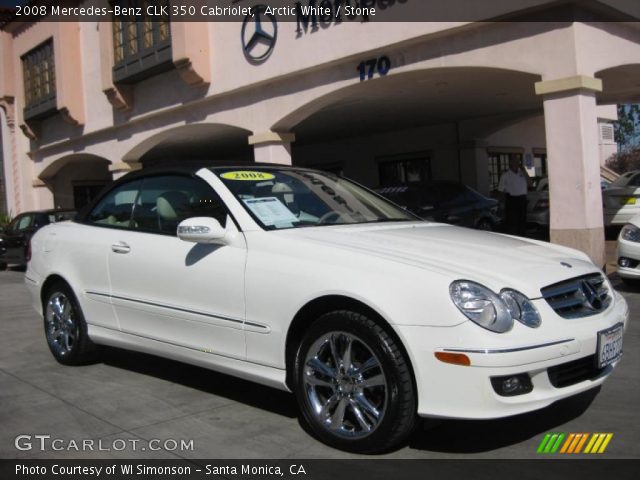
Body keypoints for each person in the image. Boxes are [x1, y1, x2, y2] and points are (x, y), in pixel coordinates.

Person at [498, 157, 530, 236]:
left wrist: (525, 171)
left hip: (522, 199)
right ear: (510, 163)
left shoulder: (522, 173)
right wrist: (502, 203)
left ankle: (522, 236)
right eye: (515, 161)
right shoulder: (505, 175)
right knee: (512, 223)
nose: (517, 164)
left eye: (518, 162)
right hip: (512, 200)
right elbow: (500, 190)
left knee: (522, 222)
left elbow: (530, 183)